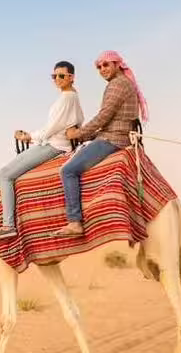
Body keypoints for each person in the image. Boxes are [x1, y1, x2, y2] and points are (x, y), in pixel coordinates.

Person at [52, 50, 149, 236]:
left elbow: (103, 117)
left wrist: (78, 135)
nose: (102, 69)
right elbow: (108, 121)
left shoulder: (117, 85)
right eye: (99, 67)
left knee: (68, 170)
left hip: (113, 140)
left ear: (117, 64)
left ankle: (74, 222)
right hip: (114, 135)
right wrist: (86, 136)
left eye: (106, 65)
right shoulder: (123, 83)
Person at [0, 60, 84, 242]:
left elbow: (51, 129)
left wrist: (29, 137)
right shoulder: (72, 97)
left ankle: (8, 225)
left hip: (54, 146)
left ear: (71, 77)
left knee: (5, 174)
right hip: (54, 143)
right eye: (54, 76)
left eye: (61, 76)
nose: (57, 79)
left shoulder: (67, 98)